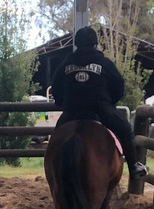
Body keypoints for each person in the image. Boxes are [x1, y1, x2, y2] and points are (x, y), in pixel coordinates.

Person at [49, 26, 148, 181]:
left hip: (72, 112)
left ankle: (51, 169)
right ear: (95, 44)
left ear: (77, 44)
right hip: (101, 110)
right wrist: (109, 103)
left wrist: (65, 104)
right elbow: (119, 86)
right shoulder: (104, 63)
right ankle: (133, 166)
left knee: (55, 140)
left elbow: (55, 89)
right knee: (126, 131)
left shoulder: (65, 64)